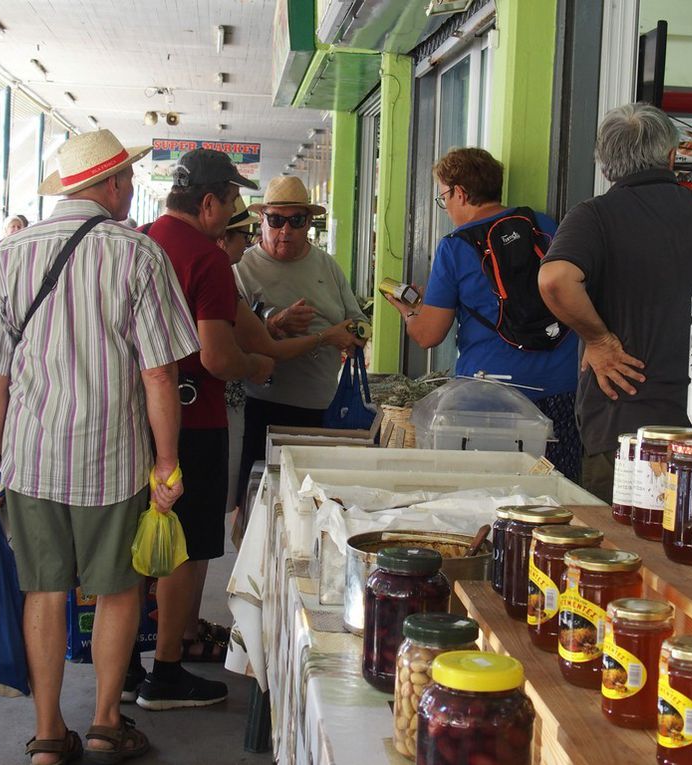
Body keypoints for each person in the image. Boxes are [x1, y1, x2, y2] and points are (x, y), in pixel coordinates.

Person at [0, 129, 200, 765]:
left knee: (43, 590)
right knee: (120, 590)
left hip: (32, 458)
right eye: (126, 181)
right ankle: (103, 721)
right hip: (113, 459)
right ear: (115, 183)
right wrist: (168, 462)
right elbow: (158, 374)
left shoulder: (10, 254)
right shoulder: (139, 254)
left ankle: (47, 735)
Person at [134, 148, 273, 708]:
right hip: (194, 417)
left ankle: (124, 664)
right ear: (210, 202)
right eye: (235, 198)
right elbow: (217, 356)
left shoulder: (140, 241)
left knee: (138, 544)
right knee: (187, 549)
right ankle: (166, 673)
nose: (237, 208)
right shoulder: (208, 259)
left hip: (135, 417)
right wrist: (255, 365)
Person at [538, 103, 692, 502]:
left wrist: (599, 340)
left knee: (623, 554)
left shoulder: (595, 216)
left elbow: (555, 280)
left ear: (605, 166)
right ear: (672, 156)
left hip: (626, 427)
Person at [385, 147, 582, 480]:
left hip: (492, 396)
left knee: (488, 493)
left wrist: (410, 312)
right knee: (555, 493)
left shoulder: (455, 246)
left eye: (444, 197)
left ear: (460, 193)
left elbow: (429, 335)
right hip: (560, 384)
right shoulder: (542, 224)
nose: (445, 206)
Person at [232, 176, 368, 507]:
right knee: (256, 502)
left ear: (309, 222)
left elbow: (360, 322)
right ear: (262, 219)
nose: (286, 230)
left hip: (321, 407)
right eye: (276, 220)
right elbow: (227, 338)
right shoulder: (241, 268)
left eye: (296, 221)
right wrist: (271, 326)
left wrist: (353, 336)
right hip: (260, 406)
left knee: (312, 502)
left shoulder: (327, 266)